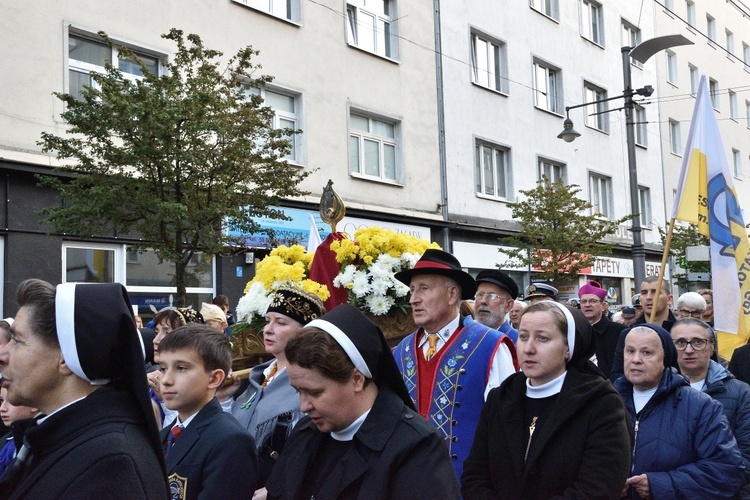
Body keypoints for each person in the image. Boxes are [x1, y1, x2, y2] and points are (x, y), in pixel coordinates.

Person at [265, 304, 460, 499]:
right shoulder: (305, 432)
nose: (304, 406)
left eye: (314, 393)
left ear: (357, 379)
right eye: (298, 392)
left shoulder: (416, 448)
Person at [0, 279, 167, 498]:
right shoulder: (65, 439)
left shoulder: (111, 466)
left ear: (66, 358)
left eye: (17, 341)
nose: (3, 355)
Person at [462, 301, 631, 498]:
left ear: (568, 347)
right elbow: (475, 475)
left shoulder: (600, 403)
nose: (529, 348)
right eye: (523, 336)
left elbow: (598, 488)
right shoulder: (501, 398)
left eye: (542, 338)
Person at [391, 249, 517, 480]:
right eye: (412, 290)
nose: (413, 299)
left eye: (424, 289)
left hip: (467, 487)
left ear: (451, 294)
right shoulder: (401, 350)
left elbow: (508, 429)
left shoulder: (490, 346)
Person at [615, 324, 745, 498]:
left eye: (647, 353)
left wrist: (660, 485)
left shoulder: (700, 406)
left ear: (665, 358)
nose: (636, 359)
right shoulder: (607, 402)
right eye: (630, 351)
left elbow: (726, 470)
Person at [228, 286, 325, 490]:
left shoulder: (311, 384)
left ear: (305, 332)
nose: (268, 330)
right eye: (267, 321)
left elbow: (309, 452)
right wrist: (224, 400)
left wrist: (276, 488)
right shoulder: (257, 377)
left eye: (280, 323)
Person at [158, 324, 258, 499]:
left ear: (214, 378)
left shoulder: (230, 441)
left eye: (181, 368)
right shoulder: (165, 435)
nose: (166, 380)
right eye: (163, 368)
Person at [671, 318, 750, 496]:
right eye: (681, 342)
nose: (689, 350)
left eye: (698, 342)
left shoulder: (742, 394)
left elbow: (746, 458)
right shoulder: (657, 392)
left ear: (712, 347)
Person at [610, 277, 677, 382]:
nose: (649, 297)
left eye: (655, 292)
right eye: (644, 293)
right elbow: (617, 373)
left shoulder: (679, 332)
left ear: (669, 299)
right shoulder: (628, 333)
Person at [148, 307, 204, 427]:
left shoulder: (198, 383)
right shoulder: (152, 380)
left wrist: (164, 401)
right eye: (156, 332)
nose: (155, 340)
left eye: (167, 333)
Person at [578, 280, 625, 380]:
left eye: (593, 301)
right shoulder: (574, 331)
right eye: (583, 301)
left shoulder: (620, 332)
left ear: (603, 306)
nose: (587, 305)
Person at [0, 387, 38, 477]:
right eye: (1, 401)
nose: (2, 408)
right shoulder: (5, 441)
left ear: (34, 404)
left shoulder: (39, 444)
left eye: (11, 401)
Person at [473, 269, 519, 343]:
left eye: (492, 296)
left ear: (508, 305)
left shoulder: (517, 343)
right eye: (480, 295)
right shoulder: (464, 335)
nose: (483, 301)